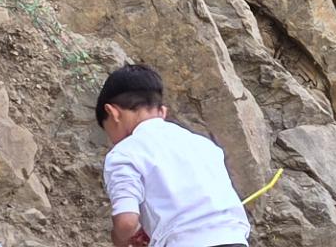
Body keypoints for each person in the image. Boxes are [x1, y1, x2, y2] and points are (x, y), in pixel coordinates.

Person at [97, 64, 250, 247]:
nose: (114, 141)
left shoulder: (124, 152)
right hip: (235, 240)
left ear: (113, 113)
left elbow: (126, 223)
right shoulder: (204, 145)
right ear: (162, 112)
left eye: (109, 132)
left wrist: (122, 239)